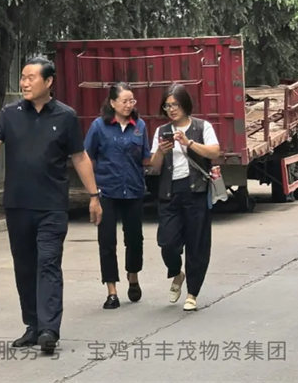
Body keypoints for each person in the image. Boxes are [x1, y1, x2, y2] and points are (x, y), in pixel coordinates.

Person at [0, 56, 103, 356]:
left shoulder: (66, 116)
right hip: (18, 205)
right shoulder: (9, 114)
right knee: (25, 267)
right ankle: (33, 325)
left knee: (48, 263)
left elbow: (80, 157)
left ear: (48, 82)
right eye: (22, 77)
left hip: (52, 206)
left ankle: (49, 329)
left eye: (30, 77)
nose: (24, 83)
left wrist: (94, 195)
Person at [149, 83, 220, 312]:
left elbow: (214, 151)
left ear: (185, 105)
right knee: (167, 242)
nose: (171, 109)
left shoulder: (202, 126)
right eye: (167, 106)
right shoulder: (161, 131)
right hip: (169, 192)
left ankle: (192, 293)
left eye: (175, 105)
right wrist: (161, 151)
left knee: (196, 244)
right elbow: (154, 166)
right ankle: (176, 272)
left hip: (195, 191)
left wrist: (188, 143)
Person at [83, 83, 150, 310]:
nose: (129, 105)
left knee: (134, 239)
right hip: (107, 191)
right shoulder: (99, 126)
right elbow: (87, 158)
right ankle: (111, 290)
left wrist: (162, 152)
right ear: (112, 103)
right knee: (107, 241)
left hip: (133, 190)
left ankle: (133, 275)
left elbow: (146, 158)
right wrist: (92, 192)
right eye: (124, 101)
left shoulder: (140, 126)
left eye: (132, 101)